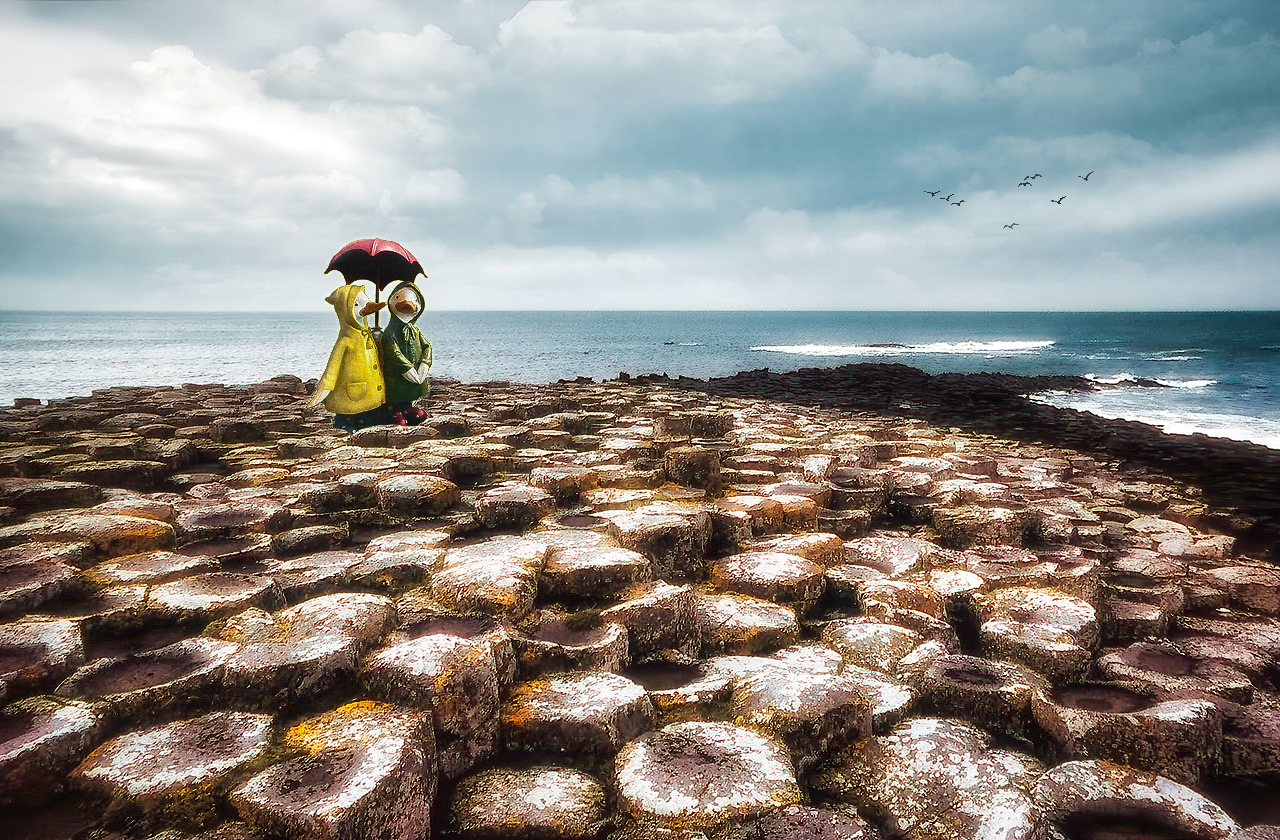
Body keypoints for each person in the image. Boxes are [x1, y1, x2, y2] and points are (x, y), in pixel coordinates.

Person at [307, 283, 389, 431]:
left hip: (366, 394)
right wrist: (324, 389)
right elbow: (333, 366)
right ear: (345, 310)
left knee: (370, 417)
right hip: (351, 394)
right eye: (357, 304)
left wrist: (377, 337)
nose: (367, 308)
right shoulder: (346, 339)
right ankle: (343, 424)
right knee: (346, 416)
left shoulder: (366, 334)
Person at [379, 280, 432, 425]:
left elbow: (427, 346)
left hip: (413, 378)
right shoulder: (390, 333)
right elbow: (393, 352)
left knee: (417, 413)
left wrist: (424, 364)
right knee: (395, 393)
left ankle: (406, 408)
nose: (407, 303)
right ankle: (391, 410)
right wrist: (407, 369)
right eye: (398, 298)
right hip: (395, 378)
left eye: (414, 300)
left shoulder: (415, 330)